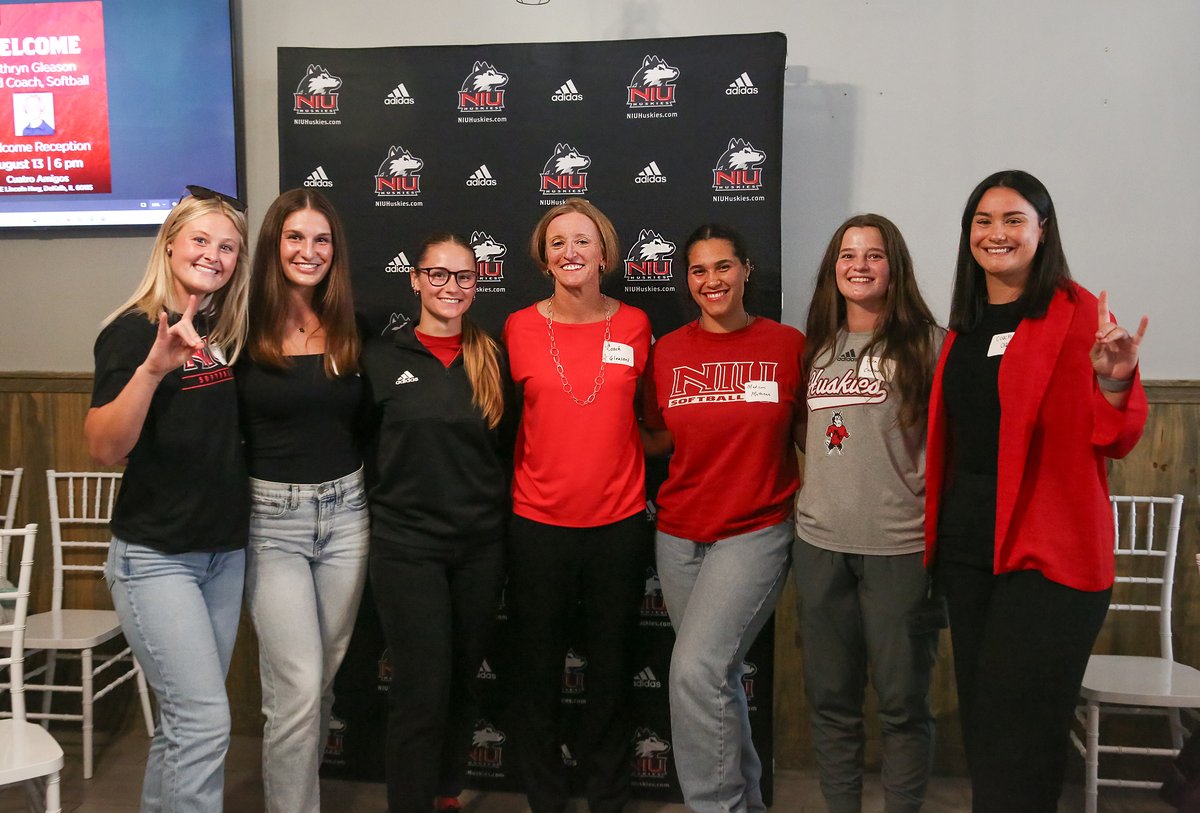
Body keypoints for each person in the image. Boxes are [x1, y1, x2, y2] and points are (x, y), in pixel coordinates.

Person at [926, 170, 1149, 812]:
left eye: (1014, 219)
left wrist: (1115, 381)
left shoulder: (1081, 314)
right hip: (972, 548)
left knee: (1022, 728)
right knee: (988, 730)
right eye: (983, 221)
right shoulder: (967, 322)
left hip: (1051, 554)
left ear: (1042, 230)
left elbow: (1115, 437)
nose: (997, 233)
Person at [86, 186, 251, 812]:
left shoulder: (221, 328)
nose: (214, 255)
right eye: (202, 240)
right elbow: (103, 447)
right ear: (171, 244)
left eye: (228, 247)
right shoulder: (132, 332)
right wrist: (153, 369)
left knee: (184, 727)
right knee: (205, 722)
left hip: (222, 557)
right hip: (156, 558)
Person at [641, 223, 805, 813]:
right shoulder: (668, 351)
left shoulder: (788, 346)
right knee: (718, 677)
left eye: (723, 266)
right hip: (679, 533)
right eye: (699, 270)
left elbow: (816, 433)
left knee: (695, 670)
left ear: (746, 271)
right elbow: (659, 437)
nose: (712, 280)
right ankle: (748, 804)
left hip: (755, 531)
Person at [503, 198, 652, 813]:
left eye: (583, 241)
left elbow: (651, 420)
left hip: (617, 524)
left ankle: (608, 796)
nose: (571, 252)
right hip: (538, 524)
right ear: (543, 256)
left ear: (606, 253)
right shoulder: (516, 327)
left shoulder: (638, 325)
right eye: (558, 241)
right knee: (536, 673)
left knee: (612, 673)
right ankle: (545, 796)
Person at [793, 214, 943, 813]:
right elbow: (814, 440)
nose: (859, 265)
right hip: (820, 545)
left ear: (894, 266)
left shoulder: (930, 345)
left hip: (899, 549)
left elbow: (945, 448)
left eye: (873, 255)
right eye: (847, 255)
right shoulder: (818, 347)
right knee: (831, 700)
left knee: (903, 703)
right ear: (834, 268)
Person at [361, 233, 513, 813]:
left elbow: (508, 449)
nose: (452, 287)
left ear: (477, 283)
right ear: (416, 280)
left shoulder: (493, 356)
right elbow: (363, 444)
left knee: (463, 681)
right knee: (420, 690)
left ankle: (445, 793)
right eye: (439, 275)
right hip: (407, 548)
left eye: (465, 276)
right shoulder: (380, 357)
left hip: (479, 548)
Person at [236, 189, 367, 813]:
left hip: (348, 517)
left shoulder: (351, 325)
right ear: (273, 244)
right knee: (295, 689)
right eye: (295, 237)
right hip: (272, 522)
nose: (308, 251)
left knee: (320, 687)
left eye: (321, 240)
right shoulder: (237, 325)